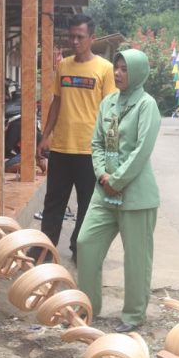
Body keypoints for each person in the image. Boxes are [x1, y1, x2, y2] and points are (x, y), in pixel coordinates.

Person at [77, 49, 161, 333]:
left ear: (137, 72)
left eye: (124, 69)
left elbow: (142, 150)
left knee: (136, 258)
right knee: (86, 243)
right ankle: (88, 305)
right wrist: (102, 174)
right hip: (104, 191)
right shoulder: (108, 103)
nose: (117, 73)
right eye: (116, 67)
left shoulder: (146, 105)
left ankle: (134, 314)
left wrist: (118, 179)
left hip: (136, 196)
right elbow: (97, 143)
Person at [35, 14, 117, 261]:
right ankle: (44, 249)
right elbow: (56, 102)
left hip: (90, 152)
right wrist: (45, 136)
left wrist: (111, 153)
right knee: (53, 204)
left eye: (80, 37)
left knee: (87, 206)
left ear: (92, 38)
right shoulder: (64, 65)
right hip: (61, 148)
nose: (74, 41)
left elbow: (111, 113)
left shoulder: (105, 69)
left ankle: (80, 249)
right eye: (71, 36)